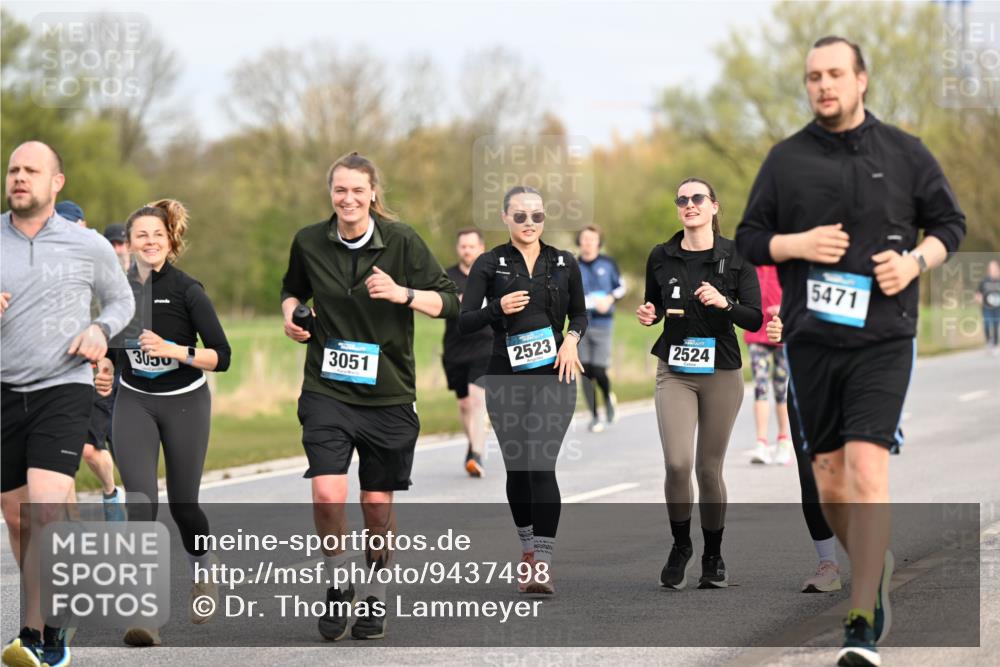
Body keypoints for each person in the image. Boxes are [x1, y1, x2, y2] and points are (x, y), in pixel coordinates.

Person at [735, 36, 966, 667]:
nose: (824, 84)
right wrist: (798, 244)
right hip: (812, 340)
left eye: (835, 73)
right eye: (814, 76)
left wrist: (915, 262)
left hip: (884, 337)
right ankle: (873, 561)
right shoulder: (785, 160)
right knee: (830, 482)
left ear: (861, 79)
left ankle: (861, 618)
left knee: (866, 469)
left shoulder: (905, 152)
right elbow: (750, 238)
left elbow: (950, 225)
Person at [281, 151, 458, 641]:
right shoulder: (309, 241)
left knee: (376, 504)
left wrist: (404, 294)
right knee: (326, 493)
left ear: (373, 193)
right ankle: (339, 584)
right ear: (330, 193)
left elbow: (451, 301)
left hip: (388, 394)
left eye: (358, 190)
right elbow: (292, 290)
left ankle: (376, 593)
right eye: (340, 190)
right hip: (327, 389)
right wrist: (291, 315)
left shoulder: (402, 241)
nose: (349, 198)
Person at [1, 141, 134, 667]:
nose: (19, 177)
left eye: (31, 170)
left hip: (64, 385)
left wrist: (100, 330)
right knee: (17, 519)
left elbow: (121, 299)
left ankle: (37, 633)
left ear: (56, 182)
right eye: (13, 169)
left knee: (46, 508)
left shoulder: (87, 245)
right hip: (4, 390)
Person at [111, 198, 232, 647]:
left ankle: (203, 568)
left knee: (184, 506)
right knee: (141, 502)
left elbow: (222, 356)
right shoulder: (117, 291)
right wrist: (103, 367)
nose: (149, 242)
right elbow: (109, 347)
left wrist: (175, 350)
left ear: (169, 241)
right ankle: (144, 612)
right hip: (134, 401)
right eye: (141, 235)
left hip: (185, 403)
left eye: (157, 235)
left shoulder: (187, 290)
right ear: (129, 243)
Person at [459, 186, 586, 595]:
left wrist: (571, 340)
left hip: (554, 376)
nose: (529, 223)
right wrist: (497, 308)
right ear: (505, 218)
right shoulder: (489, 263)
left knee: (541, 465)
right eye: (520, 216)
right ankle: (528, 551)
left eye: (537, 216)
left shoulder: (564, 262)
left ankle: (543, 563)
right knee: (518, 469)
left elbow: (579, 314)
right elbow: (465, 320)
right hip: (505, 377)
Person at [637, 177, 762, 591]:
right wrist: (649, 314)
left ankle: (713, 555)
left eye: (697, 198)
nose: (689, 204)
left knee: (709, 471)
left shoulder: (736, 256)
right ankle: (681, 545)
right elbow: (655, 305)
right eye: (682, 199)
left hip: (721, 371)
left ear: (713, 206)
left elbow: (754, 318)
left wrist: (725, 303)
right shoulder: (661, 255)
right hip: (675, 369)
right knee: (677, 463)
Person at [54, 200, 127, 521]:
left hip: (98, 368)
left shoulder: (99, 261)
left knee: (90, 451)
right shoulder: (46, 264)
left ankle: (111, 492)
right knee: (60, 454)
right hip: (59, 373)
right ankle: (73, 527)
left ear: (83, 226)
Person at [442, 227, 493, 477]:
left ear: (481, 248)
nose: (467, 250)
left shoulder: (492, 275)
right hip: (455, 347)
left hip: (485, 344)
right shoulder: (446, 277)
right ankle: (474, 445)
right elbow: (435, 304)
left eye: (472, 246)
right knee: (464, 404)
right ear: (458, 249)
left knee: (476, 399)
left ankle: (476, 454)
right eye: (463, 246)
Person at [576, 225, 626, 432]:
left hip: (603, 323)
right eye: (584, 239)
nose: (588, 243)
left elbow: (621, 287)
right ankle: (595, 416)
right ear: (579, 242)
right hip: (580, 324)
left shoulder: (608, 263)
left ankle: (607, 397)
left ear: (598, 242)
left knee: (598, 370)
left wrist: (610, 298)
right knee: (585, 372)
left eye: (592, 239)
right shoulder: (572, 265)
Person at [743, 264, 793, 465]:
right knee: (760, 387)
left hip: (783, 333)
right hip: (757, 335)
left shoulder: (786, 264)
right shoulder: (752, 265)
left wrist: (783, 310)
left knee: (781, 389)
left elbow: (799, 296)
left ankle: (783, 441)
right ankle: (761, 443)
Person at [976, 259, 1000, 355]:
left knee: (995, 325)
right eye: (991, 269)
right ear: (989, 270)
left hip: (997, 308)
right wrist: (980, 299)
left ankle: (995, 344)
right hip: (987, 308)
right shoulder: (984, 282)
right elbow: (978, 294)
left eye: (995, 269)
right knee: (986, 324)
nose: (993, 270)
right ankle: (988, 342)